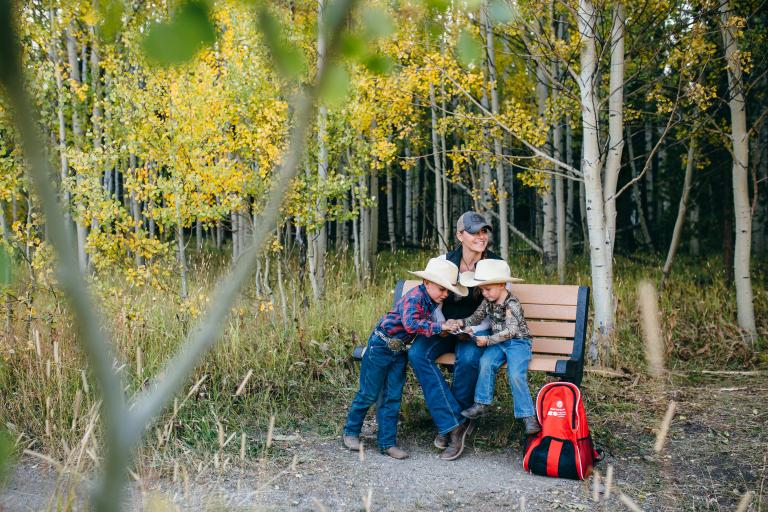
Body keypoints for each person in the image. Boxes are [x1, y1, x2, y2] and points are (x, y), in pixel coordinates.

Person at [342, 258, 466, 459]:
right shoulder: (415, 298)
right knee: (368, 393)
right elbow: (411, 325)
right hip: (380, 346)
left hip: (399, 350)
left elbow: (433, 322)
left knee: (393, 395)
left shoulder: (433, 302)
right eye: (442, 289)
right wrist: (439, 327)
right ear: (427, 282)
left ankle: (387, 442)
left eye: (448, 290)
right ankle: (351, 432)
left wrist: (447, 324)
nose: (445, 294)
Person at [407, 211, 502, 461]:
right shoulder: (444, 261)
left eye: (484, 232)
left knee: (469, 359)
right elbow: (433, 301)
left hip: (476, 329)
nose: (481, 237)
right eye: (474, 232)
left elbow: (497, 308)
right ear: (460, 235)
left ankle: (450, 426)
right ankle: (455, 422)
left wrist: (473, 329)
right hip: (444, 326)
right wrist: (444, 325)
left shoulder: (495, 264)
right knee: (418, 354)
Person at [453, 259, 541, 435]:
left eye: (488, 289)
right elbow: (476, 318)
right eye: (482, 289)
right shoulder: (488, 301)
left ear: (501, 284)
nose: (484, 293)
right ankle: (481, 403)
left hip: (518, 343)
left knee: (516, 374)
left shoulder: (511, 304)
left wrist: (487, 341)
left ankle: (528, 416)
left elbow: (511, 331)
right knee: (485, 362)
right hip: (499, 343)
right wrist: (462, 324)